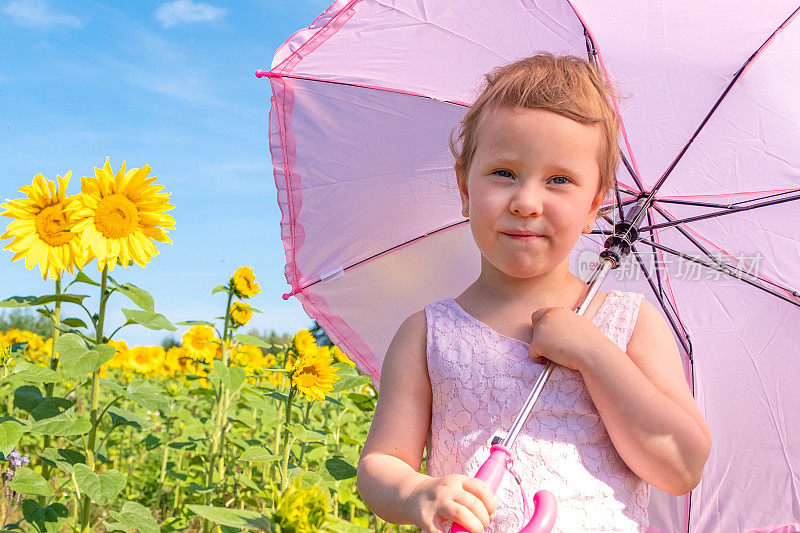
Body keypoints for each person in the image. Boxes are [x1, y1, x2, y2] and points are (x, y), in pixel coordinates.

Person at [356, 53, 711, 533]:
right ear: (464, 187)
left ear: (594, 204)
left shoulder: (629, 324)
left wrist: (595, 354)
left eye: (559, 181)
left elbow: (681, 466)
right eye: (503, 173)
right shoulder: (428, 333)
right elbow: (381, 462)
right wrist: (418, 491)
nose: (525, 203)